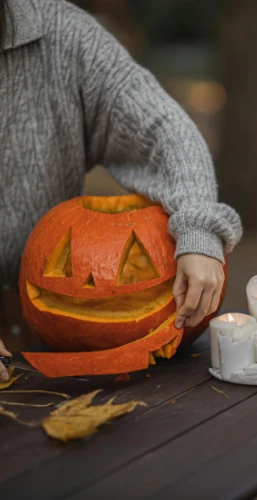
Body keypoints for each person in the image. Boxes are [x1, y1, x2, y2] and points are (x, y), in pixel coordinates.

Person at [0, 0, 243, 381]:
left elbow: (163, 128)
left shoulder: (64, 33)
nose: (94, 285)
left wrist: (197, 226)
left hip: (48, 348)